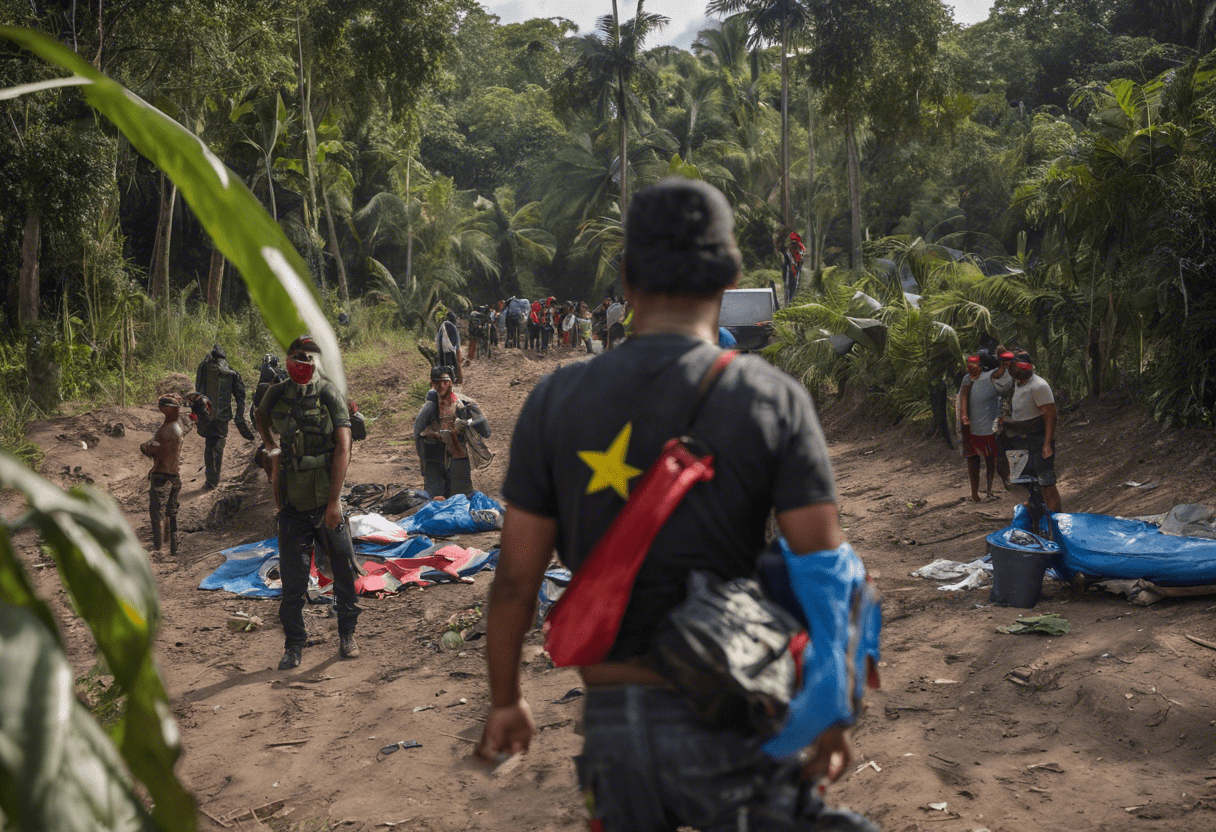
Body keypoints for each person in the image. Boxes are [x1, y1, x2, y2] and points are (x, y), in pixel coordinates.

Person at [478, 179, 875, 832]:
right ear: (732, 275)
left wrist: (506, 700)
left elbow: (517, 578)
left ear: (627, 275)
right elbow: (826, 570)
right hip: (727, 711)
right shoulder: (770, 397)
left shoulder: (555, 400)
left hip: (611, 725)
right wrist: (831, 710)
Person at [256, 335, 361, 669]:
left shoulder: (329, 393)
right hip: (291, 503)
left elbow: (344, 447)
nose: (300, 365)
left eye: (306, 359)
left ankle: (347, 634)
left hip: (325, 504)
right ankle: (294, 645)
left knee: (343, 571)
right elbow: (260, 415)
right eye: (295, 358)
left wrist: (334, 504)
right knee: (293, 580)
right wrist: (271, 446)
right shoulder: (278, 391)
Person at [414, 365, 491, 498]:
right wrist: (424, 462)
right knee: (435, 497)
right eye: (437, 382)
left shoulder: (463, 403)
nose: (442, 386)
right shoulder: (430, 407)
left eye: (445, 382)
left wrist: (466, 423)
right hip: (434, 456)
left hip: (457, 454)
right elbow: (418, 433)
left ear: (451, 382)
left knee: (461, 496)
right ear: (432, 384)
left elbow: (485, 429)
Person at [1006, 350, 1062, 512]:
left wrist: (1047, 444)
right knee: (1028, 481)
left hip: (1038, 440)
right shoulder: (1017, 384)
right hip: (1020, 440)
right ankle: (1035, 510)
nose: (1020, 371)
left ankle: (1056, 522)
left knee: (1047, 483)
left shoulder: (1038, 386)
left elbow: (1051, 415)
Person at [195, 344, 252, 489]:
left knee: (210, 445)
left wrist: (200, 411)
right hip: (220, 416)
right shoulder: (231, 372)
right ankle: (213, 480)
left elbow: (198, 391)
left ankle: (211, 480)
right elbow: (240, 397)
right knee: (217, 446)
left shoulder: (205, 368)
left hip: (209, 415)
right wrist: (239, 416)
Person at [959, 353, 1013, 501]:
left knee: (990, 458)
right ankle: (974, 493)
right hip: (970, 427)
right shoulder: (967, 380)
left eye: (974, 368)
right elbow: (963, 396)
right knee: (973, 459)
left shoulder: (990, 376)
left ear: (980, 367)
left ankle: (989, 491)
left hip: (989, 426)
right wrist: (964, 414)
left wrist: (1005, 363)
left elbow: (999, 375)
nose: (971, 371)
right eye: (969, 368)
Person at [141, 393, 186, 556]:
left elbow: (154, 450)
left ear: (164, 409)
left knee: (156, 511)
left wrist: (144, 446)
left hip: (161, 475)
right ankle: (172, 545)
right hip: (174, 475)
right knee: (171, 511)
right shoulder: (177, 428)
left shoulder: (165, 430)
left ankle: (158, 544)